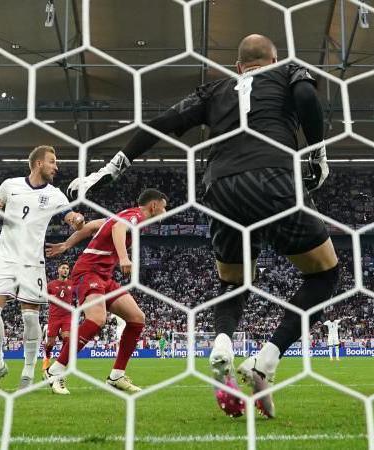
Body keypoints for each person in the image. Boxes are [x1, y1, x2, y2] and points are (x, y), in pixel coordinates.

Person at [66, 34, 339, 419]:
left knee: (234, 282)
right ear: (275, 60)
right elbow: (309, 99)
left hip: (221, 186)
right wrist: (317, 154)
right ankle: (266, 361)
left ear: (237, 67)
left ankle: (224, 342)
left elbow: (162, 123)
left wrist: (109, 169)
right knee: (325, 275)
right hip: (274, 176)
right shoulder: (288, 73)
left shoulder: (214, 90)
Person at [43, 188, 168, 394]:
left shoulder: (127, 215)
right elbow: (118, 228)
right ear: (154, 206)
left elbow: (92, 226)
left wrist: (67, 244)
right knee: (97, 319)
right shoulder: (135, 216)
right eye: (164, 207)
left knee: (137, 318)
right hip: (88, 272)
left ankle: (116, 376)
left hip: (103, 276)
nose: (166, 211)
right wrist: (124, 258)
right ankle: (55, 370)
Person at [0, 145, 84, 391]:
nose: (56, 167)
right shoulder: (10, 185)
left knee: (30, 316)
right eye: (52, 162)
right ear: (38, 163)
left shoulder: (56, 194)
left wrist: (78, 222)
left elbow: (72, 220)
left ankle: (27, 373)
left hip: (32, 262)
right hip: (5, 258)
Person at [42, 262, 74, 372]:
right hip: (54, 316)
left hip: (67, 316)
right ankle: (46, 357)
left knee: (67, 338)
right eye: (63, 268)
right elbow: (44, 298)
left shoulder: (72, 284)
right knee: (50, 343)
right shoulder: (50, 285)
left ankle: (60, 362)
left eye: (67, 268)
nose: (65, 270)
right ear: (58, 270)